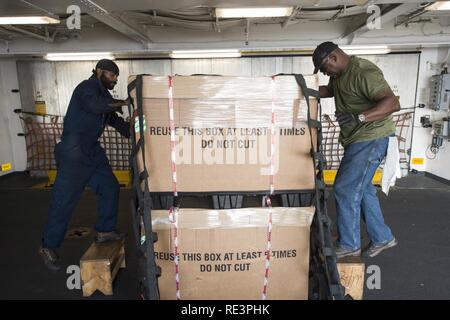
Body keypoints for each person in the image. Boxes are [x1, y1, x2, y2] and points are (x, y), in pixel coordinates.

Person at [39, 59, 131, 271]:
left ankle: (105, 230)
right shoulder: (87, 88)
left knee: (110, 187)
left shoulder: (106, 97)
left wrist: (137, 128)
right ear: (99, 71)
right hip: (73, 151)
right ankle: (48, 245)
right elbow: (95, 106)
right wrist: (124, 102)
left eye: (116, 77)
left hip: (91, 150)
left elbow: (117, 123)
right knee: (65, 200)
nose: (114, 80)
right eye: (111, 75)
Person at [312, 42, 399, 259]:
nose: (324, 73)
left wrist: (358, 117)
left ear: (333, 57)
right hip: (357, 140)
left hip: (372, 137)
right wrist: (302, 89)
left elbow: (392, 103)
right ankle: (383, 237)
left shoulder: (363, 72)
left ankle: (350, 244)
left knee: (345, 188)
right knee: (364, 190)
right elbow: (329, 91)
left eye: (324, 68)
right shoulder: (339, 76)